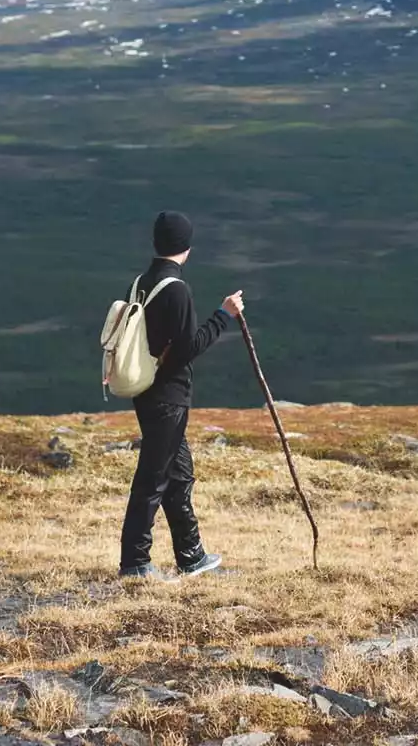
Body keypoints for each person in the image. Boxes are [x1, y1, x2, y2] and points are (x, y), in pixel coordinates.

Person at [119, 210, 245, 580]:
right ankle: (135, 563)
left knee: (178, 474)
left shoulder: (141, 283)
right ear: (187, 247)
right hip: (168, 396)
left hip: (144, 391)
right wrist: (224, 315)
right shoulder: (177, 289)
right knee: (154, 478)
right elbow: (188, 348)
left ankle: (191, 555)